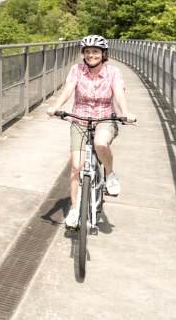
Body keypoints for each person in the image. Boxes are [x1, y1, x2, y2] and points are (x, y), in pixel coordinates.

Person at [46, 35, 136, 229]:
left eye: (95, 51)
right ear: (83, 54)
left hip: (105, 118)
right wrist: (56, 107)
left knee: (100, 143)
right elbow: (68, 90)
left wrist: (126, 113)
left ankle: (110, 174)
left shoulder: (113, 72)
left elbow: (119, 93)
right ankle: (74, 209)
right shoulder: (76, 70)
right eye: (87, 51)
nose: (91, 55)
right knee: (76, 167)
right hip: (79, 119)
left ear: (104, 54)